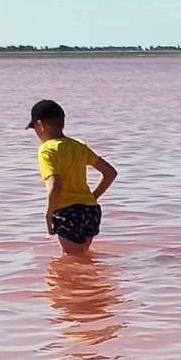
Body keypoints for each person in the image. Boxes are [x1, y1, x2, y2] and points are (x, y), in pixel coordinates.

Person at [28, 98, 117, 251]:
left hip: (68, 213)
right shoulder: (79, 146)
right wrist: (92, 197)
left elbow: (55, 186)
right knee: (84, 256)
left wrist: (48, 215)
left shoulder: (47, 150)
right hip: (91, 211)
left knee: (74, 260)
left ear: (40, 125)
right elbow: (110, 173)